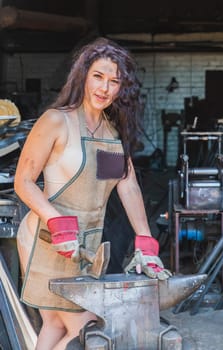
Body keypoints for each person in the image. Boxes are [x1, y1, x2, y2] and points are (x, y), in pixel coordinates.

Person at [14, 37, 171, 350]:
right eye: (98, 77)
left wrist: (145, 242)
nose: (105, 88)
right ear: (83, 75)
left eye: (114, 81)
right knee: (92, 327)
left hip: (86, 243)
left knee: (56, 325)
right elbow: (24, 181)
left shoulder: (110, 134)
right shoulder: (57, 121)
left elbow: (126, 185)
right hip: (46, 239)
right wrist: (56, 222)